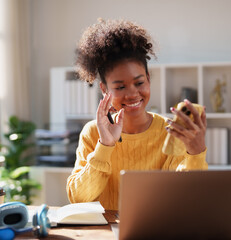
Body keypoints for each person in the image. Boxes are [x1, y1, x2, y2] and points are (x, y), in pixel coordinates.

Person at [66, 19, 208, 210]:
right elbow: (78, 199)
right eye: (120, 86)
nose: (132, 93)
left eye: (139, 83)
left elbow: (187, 198)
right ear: (104, 89)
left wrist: (196, 153)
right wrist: (106, 145)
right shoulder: (93, 133)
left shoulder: (171, 132)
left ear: (148, 79)